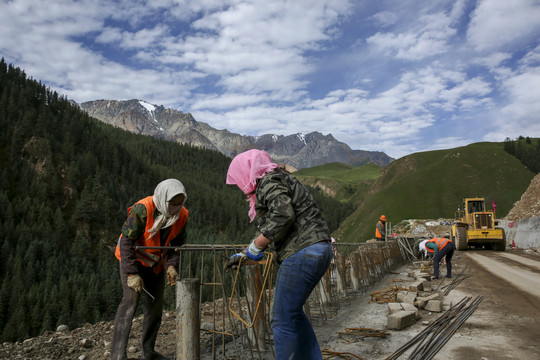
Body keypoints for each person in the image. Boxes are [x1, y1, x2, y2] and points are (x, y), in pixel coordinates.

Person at [226, 149, 333, 360]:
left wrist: (256, 247)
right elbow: (274, 221)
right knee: (293, 313)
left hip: (302, 251)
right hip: (319, 247)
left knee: (281, 319)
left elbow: (283, 214)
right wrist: (248, 251)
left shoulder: (268, 181)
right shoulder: (279, 178)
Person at [111, 179, 189, 360]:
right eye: (172, 204)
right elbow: (126, 241)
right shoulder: (143, 209)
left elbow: (177, 244)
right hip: (133, 260)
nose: (175, 208)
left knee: (155, 308)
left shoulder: (182, 215)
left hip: (156, 264)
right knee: (129, 304)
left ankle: (148, 352)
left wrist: (171, 266)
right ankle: (117, 356)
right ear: (163, 199)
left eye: (179, 203)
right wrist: (131, 274)